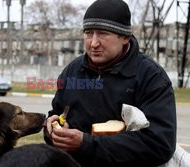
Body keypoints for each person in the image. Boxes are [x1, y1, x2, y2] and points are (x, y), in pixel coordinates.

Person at [43, 0, 177, 166]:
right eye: (88, 33)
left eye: (102, 33)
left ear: (125, 37)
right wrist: (52, 129)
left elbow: (160, 145)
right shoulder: (72, 71)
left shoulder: (151, 77)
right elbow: (58, 114)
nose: (93, 43)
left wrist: (86, 144)